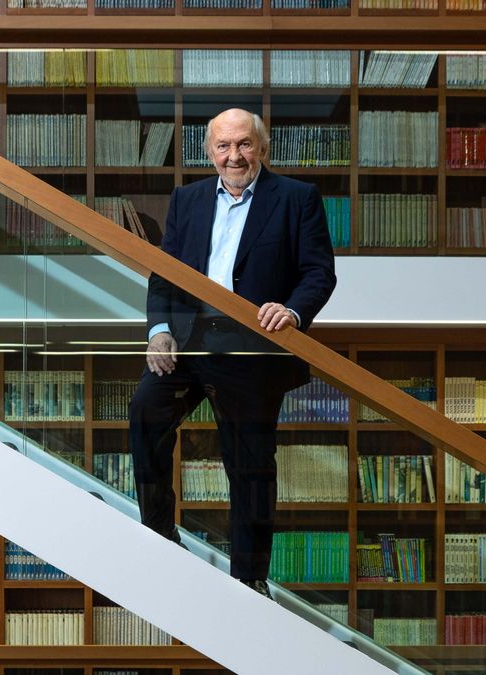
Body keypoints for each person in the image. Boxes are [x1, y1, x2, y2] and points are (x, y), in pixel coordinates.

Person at [128, 108, 337, 597]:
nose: (233, 156)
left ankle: (249, 576)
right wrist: (159, 331)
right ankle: (159, 533)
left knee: (250, 463)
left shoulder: (296, 198)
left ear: (261, 148)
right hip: (187, 344)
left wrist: (292, 311)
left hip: (253, 350)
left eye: (243, 144)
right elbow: (164, 276)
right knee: (144, 412)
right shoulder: (188, 199)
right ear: (209, 151)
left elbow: (318, 273)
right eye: (223, 146)